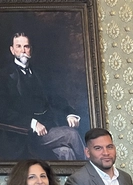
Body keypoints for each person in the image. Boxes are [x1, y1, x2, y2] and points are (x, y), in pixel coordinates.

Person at [0, 32, 85, 160]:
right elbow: (3, 111)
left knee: (66, 152)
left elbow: (55, 98)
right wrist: (32, 123)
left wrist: (70, 113)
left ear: (31, 50)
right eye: (18, 46)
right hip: (23, 135)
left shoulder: (40, 74)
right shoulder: (4, 76)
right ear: (12, 50)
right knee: (71, 135)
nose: (23, 50)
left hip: (48, 131)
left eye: (26, 46)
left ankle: (77, 179)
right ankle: (92, 173)